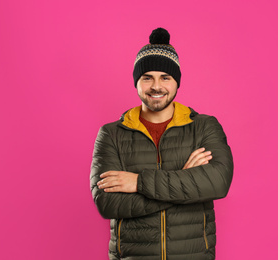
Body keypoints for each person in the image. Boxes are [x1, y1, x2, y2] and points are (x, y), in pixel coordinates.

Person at [90, 27, 233, 260]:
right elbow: (107, 203)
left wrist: (138, 182)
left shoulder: (205, 127)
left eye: (165, 77)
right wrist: (184, 182)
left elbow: (218, 182)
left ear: (176, 82)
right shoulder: (111, 134)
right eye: (147, 78)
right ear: (137, 81)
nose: (156, 86)